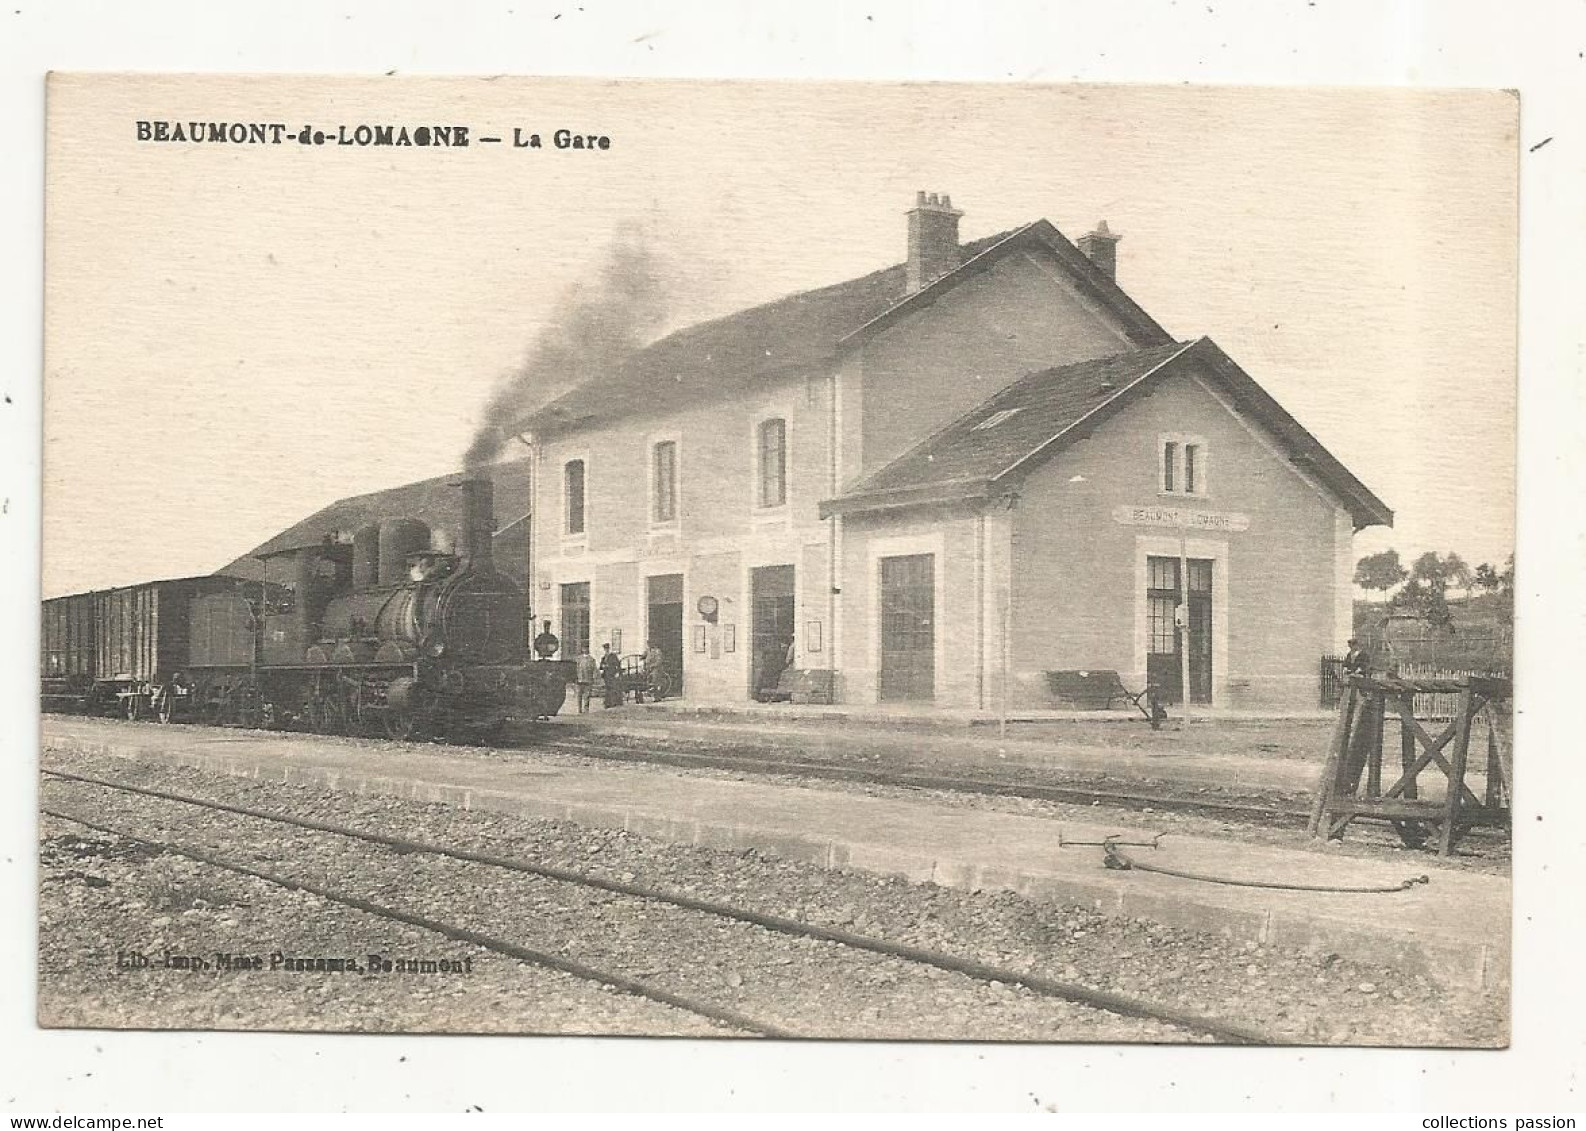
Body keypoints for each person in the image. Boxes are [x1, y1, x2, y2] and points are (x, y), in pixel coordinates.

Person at [599, 642, 624, 708]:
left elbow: (618, 665)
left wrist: (618, 673)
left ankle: (614, 702)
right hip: (606, 675)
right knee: (608, 688)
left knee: (613, 688)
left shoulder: (613, 656)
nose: (606, 650)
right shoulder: (604, 657)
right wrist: (603, 666)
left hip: (612, 674)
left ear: (609, 648)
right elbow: (601, 666)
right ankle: (607, 703)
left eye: (607, 648)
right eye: (605, 649)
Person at [573, 649, 596, 714]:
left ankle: (586, 709)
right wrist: (575, 678)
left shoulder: (591, 659)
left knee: (587, 695)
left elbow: (594, 669)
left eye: (586, 648)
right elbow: (575, 669)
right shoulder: (578, 659)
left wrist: (593, 678)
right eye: (583, 648)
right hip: (579, 679)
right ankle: (579, 709)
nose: (584, 650)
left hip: (588, 680)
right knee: (579, 695)